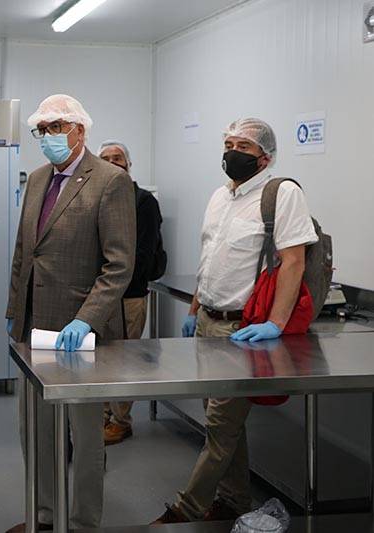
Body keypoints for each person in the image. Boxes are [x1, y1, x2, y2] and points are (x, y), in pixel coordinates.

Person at [153, 118, 318, 524]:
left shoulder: (282, 194)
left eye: (242, 146)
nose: (232, 153)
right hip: (208, 323)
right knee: (227, 425)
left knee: (219, 426)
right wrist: (194, 310)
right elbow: (209, 259)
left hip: (243, 331)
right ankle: (234, 500)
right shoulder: (219, 197)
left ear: (265, 156)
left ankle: (186, 510)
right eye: (228, 144)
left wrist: (276, 324)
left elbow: (293, 260)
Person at [5, 95, 136, 532]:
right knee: (37, 431)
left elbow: (118, 264)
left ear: (80, 130)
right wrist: (14, 313)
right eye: (42, 129)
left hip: (83, 333)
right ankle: (43, 515)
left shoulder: (110, 181)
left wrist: (87, 318)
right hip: (34, 329)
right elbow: (26, 251)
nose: (48, 137)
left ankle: (81, 522)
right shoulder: (39, 178)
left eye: (56, 127)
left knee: (84, 433)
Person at [98, 140, 164, 446]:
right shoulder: (97, 197)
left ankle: (121, 421)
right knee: (99, 360)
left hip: (130, 295)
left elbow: (144, 254)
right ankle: (103, 416)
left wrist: (116, 286)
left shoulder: (143, 202)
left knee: (124, 359)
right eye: (106, 158)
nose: (113, 162)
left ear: (129, 164)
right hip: (98, 297)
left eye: (118, 158)